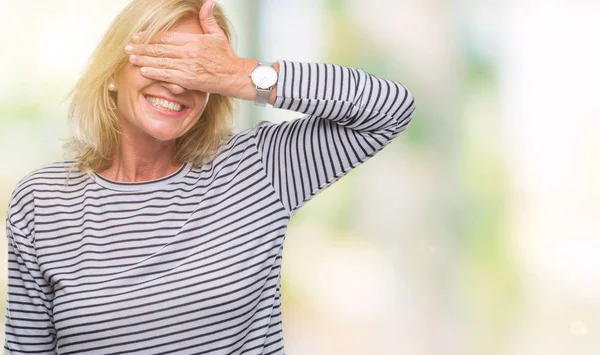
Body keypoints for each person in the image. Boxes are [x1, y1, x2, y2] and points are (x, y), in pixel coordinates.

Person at [3, 0, 416, 353]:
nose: (179, 83)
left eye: (197, 69)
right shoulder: (43, 200)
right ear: (112, 73)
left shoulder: (259, 168)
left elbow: (390, 107)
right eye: (163, 59)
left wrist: (240, 74)